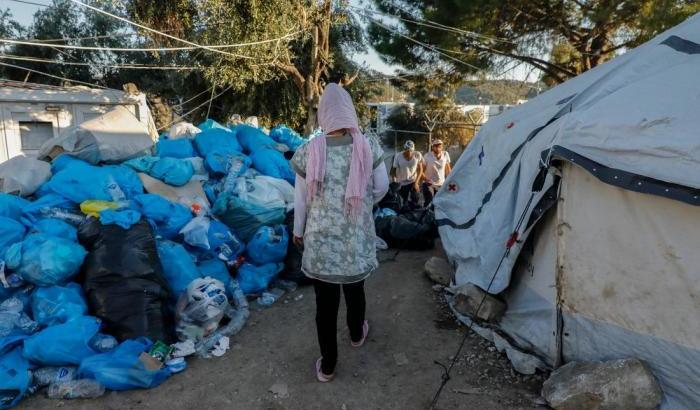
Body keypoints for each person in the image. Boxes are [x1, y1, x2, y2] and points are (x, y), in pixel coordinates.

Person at [290, 83, 389, 383]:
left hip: (321, 240)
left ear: (323, 114)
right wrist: (363, 201)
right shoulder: (367, 144)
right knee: (355, 288)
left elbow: (300, 199)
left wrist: (298, 231)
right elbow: (382, 186)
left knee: (325, 304)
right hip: (355, 236)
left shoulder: (309, 150)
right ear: (349, 111)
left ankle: (329, 365)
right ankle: (357, 334)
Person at [391, 140, 423, 206]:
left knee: (416, 197)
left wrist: (417, 182)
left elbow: (420, 169)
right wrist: (395, 182)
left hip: (413, 181)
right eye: (407, 150)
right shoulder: (398, 156)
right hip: (402, 182)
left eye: (411, 151)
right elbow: (393, 171)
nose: (409, 152)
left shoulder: (417, 155)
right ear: (404, 149)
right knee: (403, 202)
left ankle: (413, 210)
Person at [421, 139, 452, 206]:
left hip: (441, 184)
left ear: (442, 147)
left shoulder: (445, 154)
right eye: (436, 146)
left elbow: (448, 169)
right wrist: (426, 180)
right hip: (429, 184)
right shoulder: (427, 156)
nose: (437, 148)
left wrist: (450, 180)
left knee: (439, 204)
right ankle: (426, 215)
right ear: (432, 147)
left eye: (439, 146)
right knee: (429, 202)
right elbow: (421, 171)